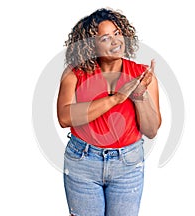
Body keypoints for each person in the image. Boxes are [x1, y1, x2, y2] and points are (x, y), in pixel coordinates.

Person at [57, 8, 162, 216]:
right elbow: (64, 117)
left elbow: (151, 130)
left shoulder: (141, 75)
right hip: (83, 162)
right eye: (105, 38)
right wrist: (116, 98)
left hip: (128, 164)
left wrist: (139, 95)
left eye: (117, 33)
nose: (116, 42)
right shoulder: (74, 73)